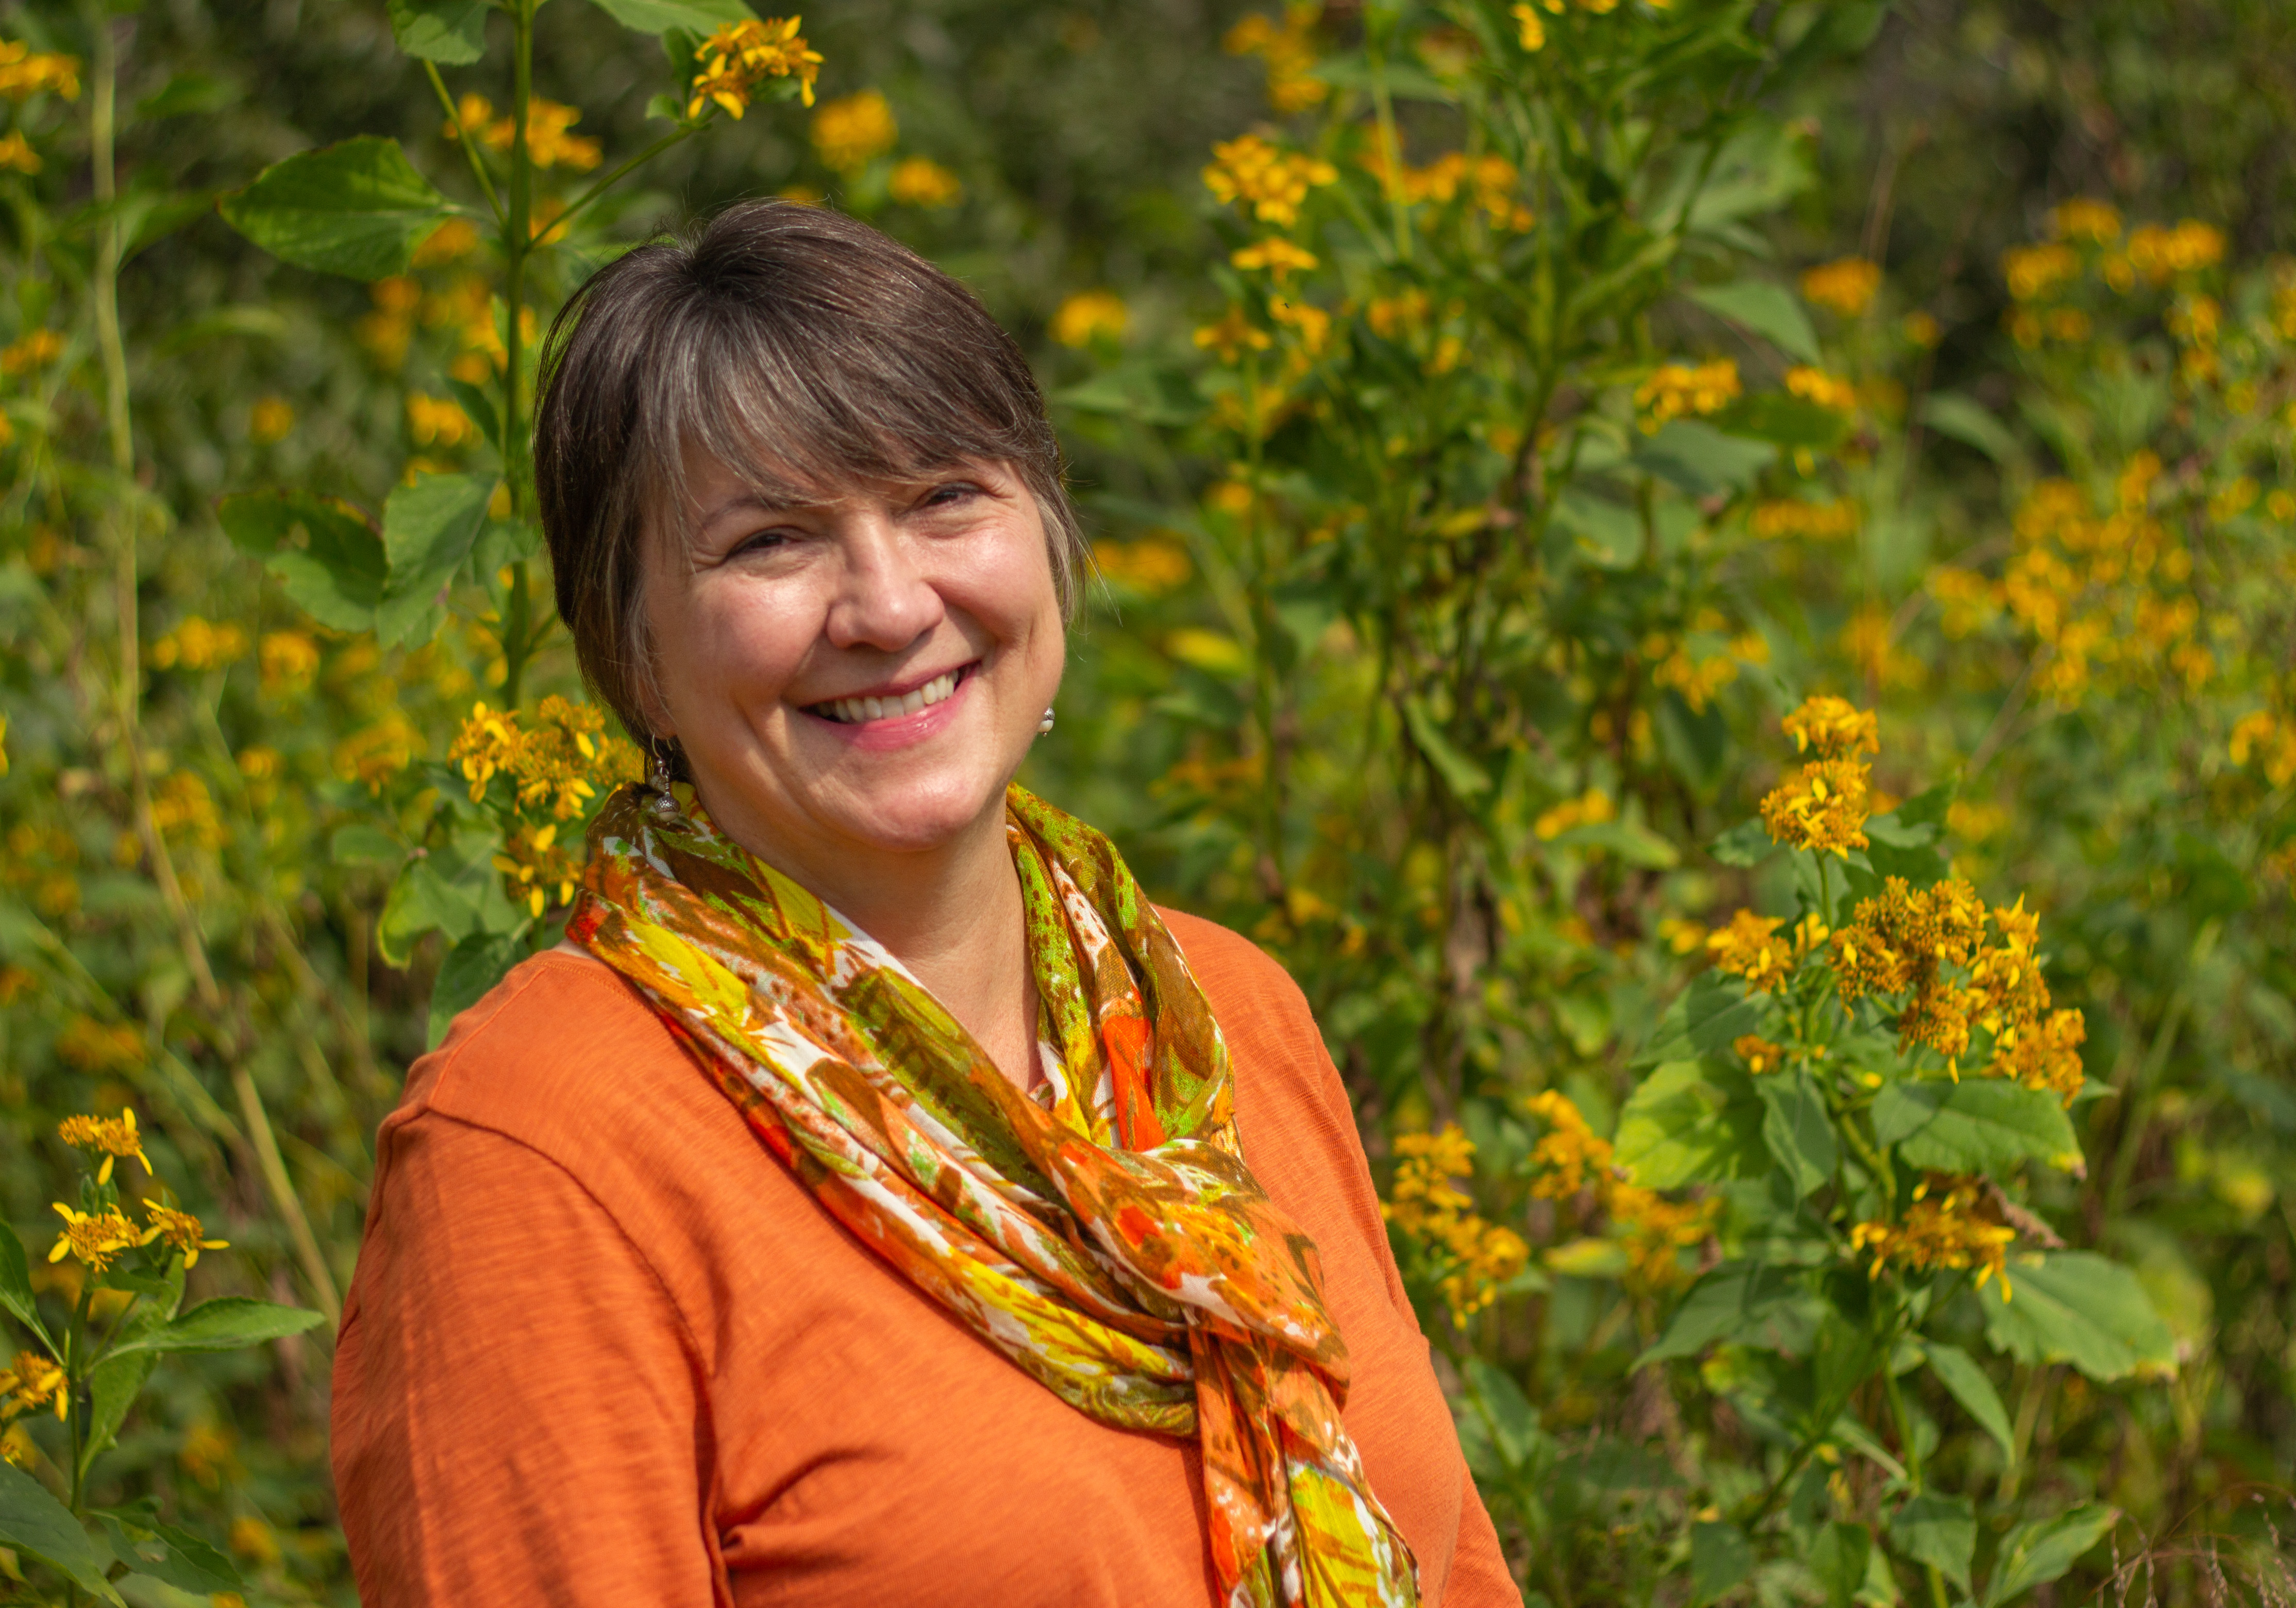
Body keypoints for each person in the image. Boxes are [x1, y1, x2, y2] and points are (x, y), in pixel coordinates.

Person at [330, 199, 1516, 1606]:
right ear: (635, 655)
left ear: (1052, 539)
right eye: (771, 542)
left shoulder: (1223, 1013)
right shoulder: (538, 1154)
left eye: (945, 497)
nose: (890, 607)